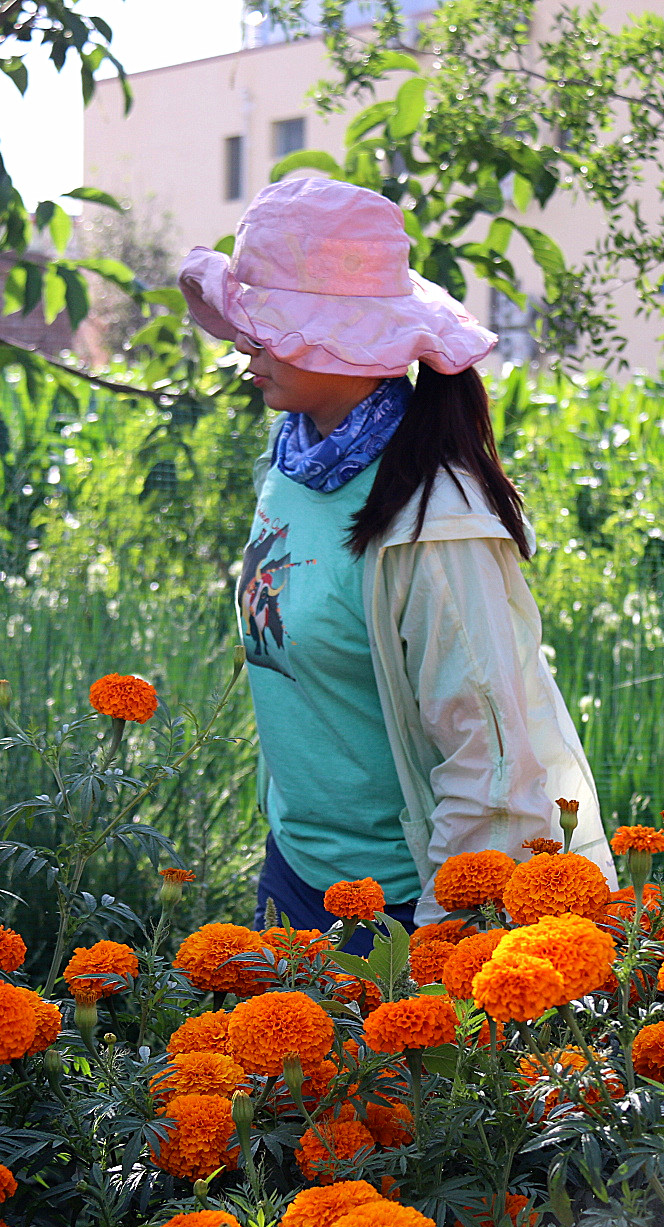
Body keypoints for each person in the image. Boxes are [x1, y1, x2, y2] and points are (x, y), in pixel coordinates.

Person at [178, 175, 615, 944]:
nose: (244, 343)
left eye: (267, 323)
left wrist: (444, 940)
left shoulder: (432, 522)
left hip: (402, 905)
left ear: (348, 342)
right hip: (295, 868)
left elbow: (489, 755)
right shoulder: (295, 460)